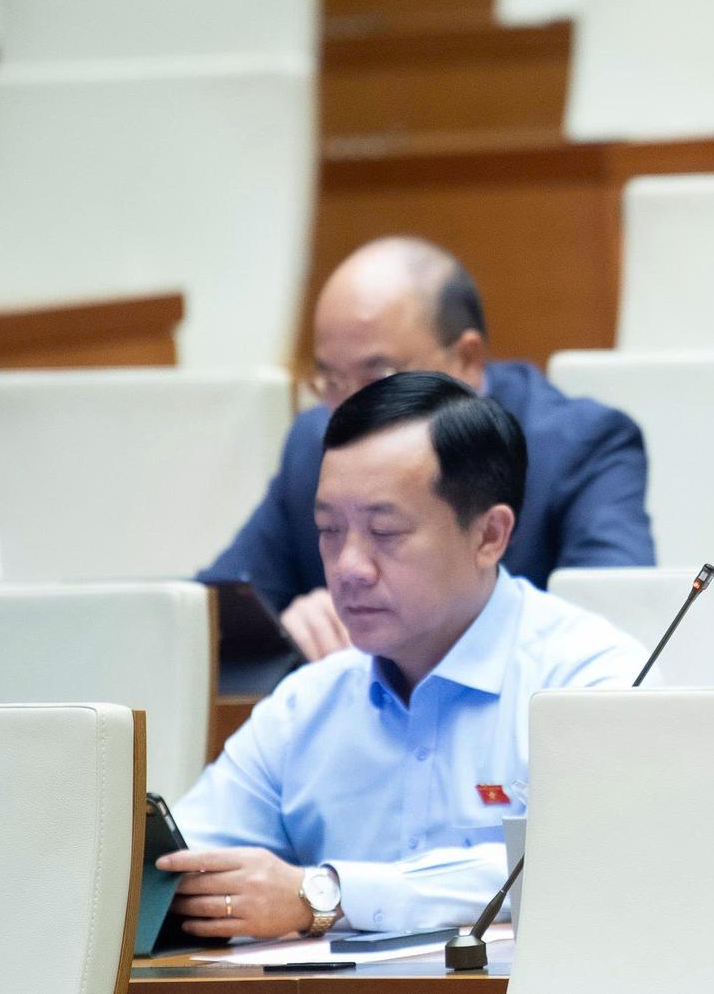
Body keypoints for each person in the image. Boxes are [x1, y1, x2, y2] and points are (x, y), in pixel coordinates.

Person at [160, 372, 649, 938]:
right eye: (328, 530)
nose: (348, 567)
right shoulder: (305, 705)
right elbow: (180, 861)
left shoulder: (593, 681)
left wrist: (326, 893)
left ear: (489, 535)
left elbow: (580, 858)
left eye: (385, 531)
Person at [201, 236, 654, 663]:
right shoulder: (314, 444)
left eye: (378, 377)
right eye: (331, 380)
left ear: (466, 360)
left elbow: (616, 621)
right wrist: (284, 629)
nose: (350, 407)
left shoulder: (582, 446)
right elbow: (213, 612)